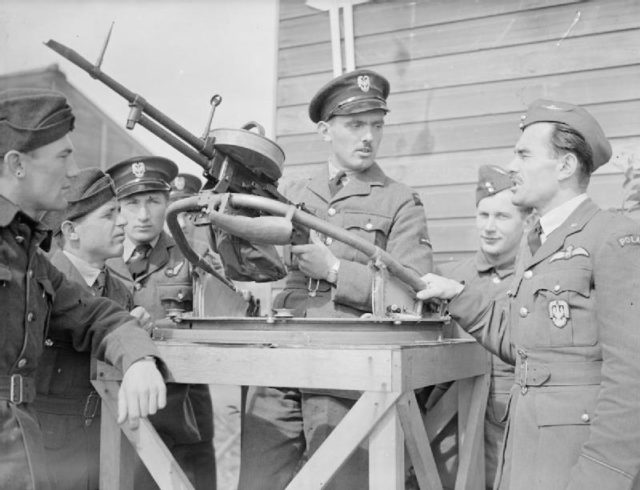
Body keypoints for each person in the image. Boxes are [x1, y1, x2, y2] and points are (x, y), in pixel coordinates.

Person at [417, 99, 640, 490]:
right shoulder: (537, 244)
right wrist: (457, 294)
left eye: (523, 154)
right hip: (525, 453)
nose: (512, 167)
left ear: (566, 166)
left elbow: (632, 377)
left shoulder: (612, 238)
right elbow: (520, 343)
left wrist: (603, 477)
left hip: (577, 465)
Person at [239, 68, 433, 490]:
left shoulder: (400, 201)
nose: (367, 137)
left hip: (348, 376)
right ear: (326, 130)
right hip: (280, 368)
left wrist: (333, 270)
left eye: (376, 126)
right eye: (355, 125)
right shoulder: (292, 194)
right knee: (256, 481)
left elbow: (413, 295)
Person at [0, 88, 166, 490]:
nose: (73, 170)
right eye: (63, 156)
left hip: (20, 447)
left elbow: (96, 314)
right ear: (16, 164)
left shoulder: (26, 251)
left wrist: (140, 359)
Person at [35, 168, 153, 489]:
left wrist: (136, 332)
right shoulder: (41, 283)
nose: (124, 222)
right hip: (49, 449)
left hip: (106, 440)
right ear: (71, 230)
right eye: (109, 215)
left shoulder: (120, 290)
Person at [106, 157, 216, 490]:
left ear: (167, 203)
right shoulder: (102, 257)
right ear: (118, 208)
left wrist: (157, 328)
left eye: (153, 201)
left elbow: (215, 324)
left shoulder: (195, 255)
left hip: (180, 418)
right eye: (132, 203)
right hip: (113, 413)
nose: (143, 214)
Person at [428, 165, 532, 489]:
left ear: (526, 221)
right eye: (482, 215)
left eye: (501, 217)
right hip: (453, 433)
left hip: (515, 432)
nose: (488, 227)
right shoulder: (450, 279)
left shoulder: (535, 280)